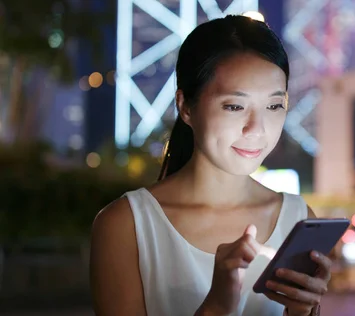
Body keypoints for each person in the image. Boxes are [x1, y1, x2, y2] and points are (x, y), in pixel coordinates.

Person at [90, 15, 330, 316]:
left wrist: (302, 311)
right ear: (186, 107)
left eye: (273, 106)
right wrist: (215, 307)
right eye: (234, 106)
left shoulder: (297, 219)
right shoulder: (126, 225)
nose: (257, 129)